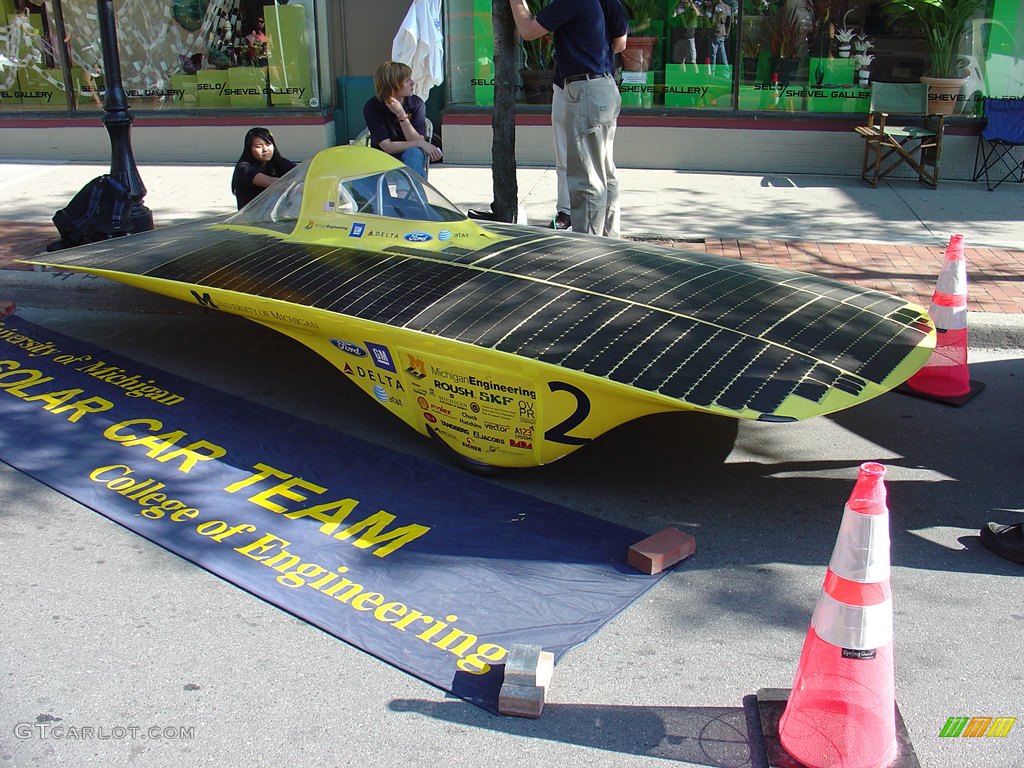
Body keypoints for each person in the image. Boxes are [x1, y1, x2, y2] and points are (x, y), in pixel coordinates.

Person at [510, 0, 628, 238]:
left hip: (586, 90)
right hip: (601, 86)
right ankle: (610, 238)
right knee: (604, 170)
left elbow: (528, 31)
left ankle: (589, 246)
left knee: (587, 177)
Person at [363, 61, 442, 178]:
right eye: (407, 80)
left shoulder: (416, 103)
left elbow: (417, 140)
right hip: (383, 157)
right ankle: (411, 194)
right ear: (393, 85)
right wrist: (420, 143)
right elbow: (387, 147)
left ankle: (405, 193)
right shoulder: (373, 107)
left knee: (413, 153)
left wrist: (402, 115)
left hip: (412, 156)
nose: (413, 83)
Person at [230, 127, 296, 210]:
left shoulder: (278, 162)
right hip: (251, 218)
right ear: (249, 149)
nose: (265, 149)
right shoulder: (244, 168)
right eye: (258, 146)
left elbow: (299, 171)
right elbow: (271, 182)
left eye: (268, 144)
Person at [550, 80, 571, 230]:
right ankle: (566, 211)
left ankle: (602, 218)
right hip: (562, 83)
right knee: (563, 157)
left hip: (596, 79)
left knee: (598, 161)